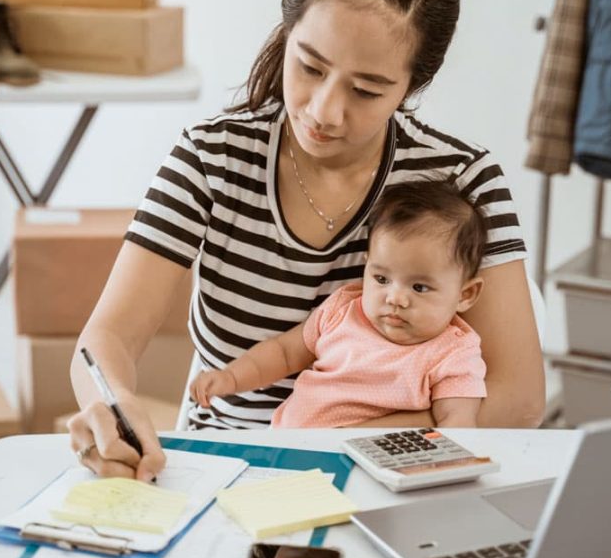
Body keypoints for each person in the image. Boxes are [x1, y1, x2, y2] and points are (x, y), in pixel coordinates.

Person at [68, 0, 544, 482]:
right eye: (310, 66)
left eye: (366, 90)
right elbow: (109, 337)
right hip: (227, 466)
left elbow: (518, 401)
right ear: (287, 33)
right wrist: (111, 404)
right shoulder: (211, 156)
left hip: (397, 477)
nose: (323, 111)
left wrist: (329, 443)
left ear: (412, 86)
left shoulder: (461, 179)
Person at [189, 178, 489, 428]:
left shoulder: (453, 353)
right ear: (366, 265)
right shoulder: (344, 309)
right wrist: (230, 377)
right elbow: (282, 353)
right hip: (290, 451)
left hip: (377, 468)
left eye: (420, 287)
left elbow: (456, 424)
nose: (395, 298)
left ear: (465, 295)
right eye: (381, 279)